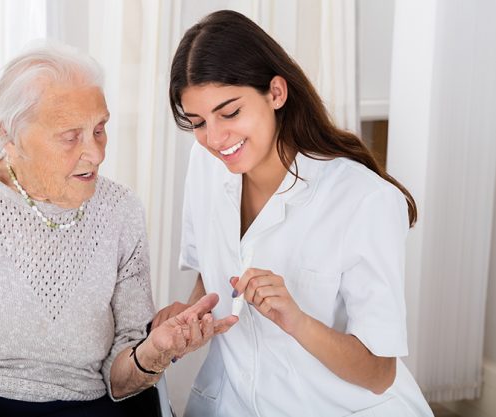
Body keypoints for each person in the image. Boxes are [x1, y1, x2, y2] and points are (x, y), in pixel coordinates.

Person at [0, 43, 236, 417]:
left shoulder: (121, 211)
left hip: (81, 406)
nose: (95, 153)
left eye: (99, 129)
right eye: (70, 136)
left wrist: (155, 352)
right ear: (10, 138)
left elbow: (121, 379)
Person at [153, 10, 434, 417]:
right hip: (230, 402)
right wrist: (192, 312)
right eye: (198, 122)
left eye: (230, 113)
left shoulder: (364, 199)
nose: (214, 138)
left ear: (276, 93)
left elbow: (378, 372)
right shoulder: (205, 163)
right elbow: (212, 264)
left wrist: (298, 321)